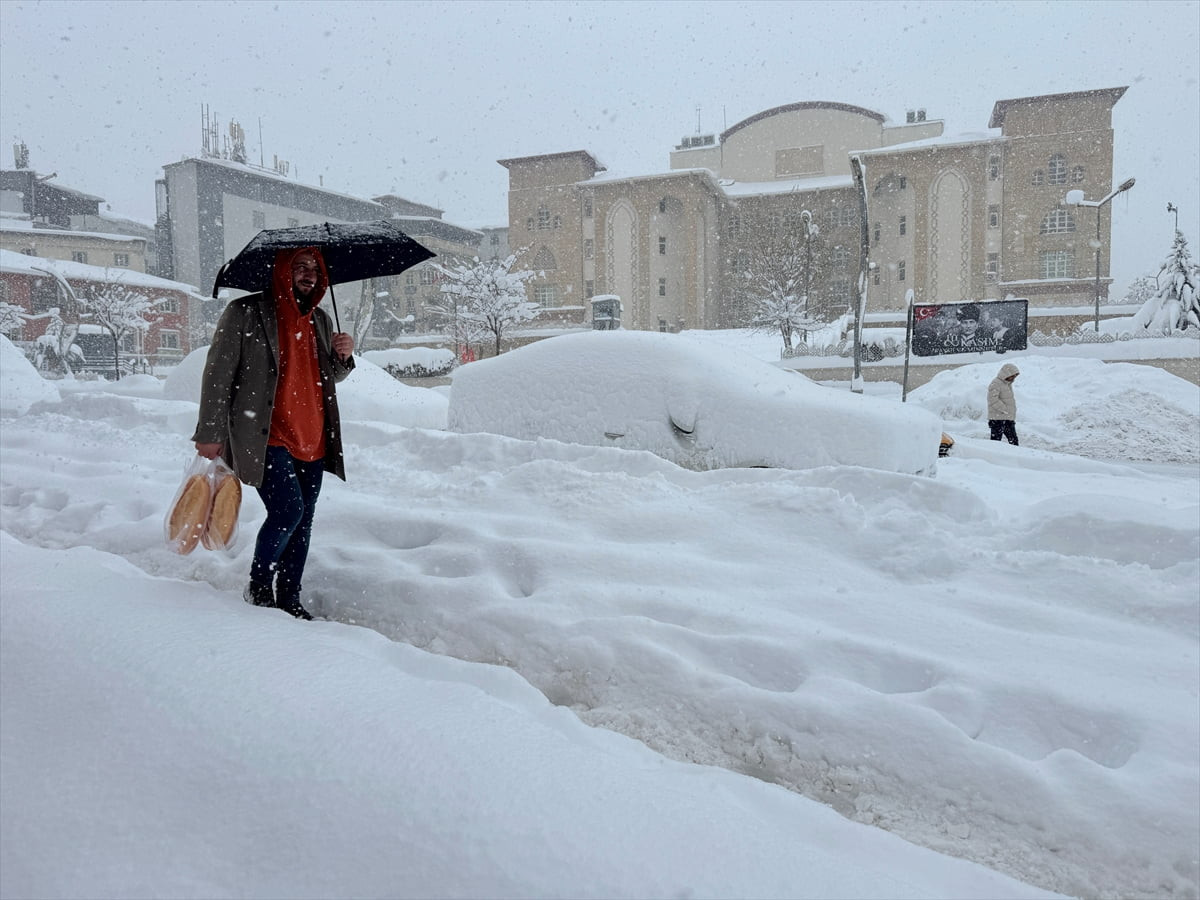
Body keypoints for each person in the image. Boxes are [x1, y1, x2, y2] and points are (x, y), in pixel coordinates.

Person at [192, 247, 355, 619]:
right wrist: (210, 431)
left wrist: (342, 357)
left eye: (315, 269)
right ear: (282, 270)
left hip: (312, 437)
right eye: (300, 267)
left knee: (303, 521)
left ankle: (290, 598)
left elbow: (330, 375)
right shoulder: (245, 312)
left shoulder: (321, 319)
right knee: (288, 512)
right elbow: (217, 376)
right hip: (265, 436)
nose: (308, 274)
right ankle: (261, 588)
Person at [987, 362, 1020, 445]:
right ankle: (994, 456)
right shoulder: (996, 383)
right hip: (997, 419)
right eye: (1012, 376)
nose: (1013, 378)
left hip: (1007, 418)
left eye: (1015, 376)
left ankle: (1016, 456)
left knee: (1014, 441)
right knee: (995, 442)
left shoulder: (1007, 384)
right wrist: (1004, 409)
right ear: (1006, 374)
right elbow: (992, 399)